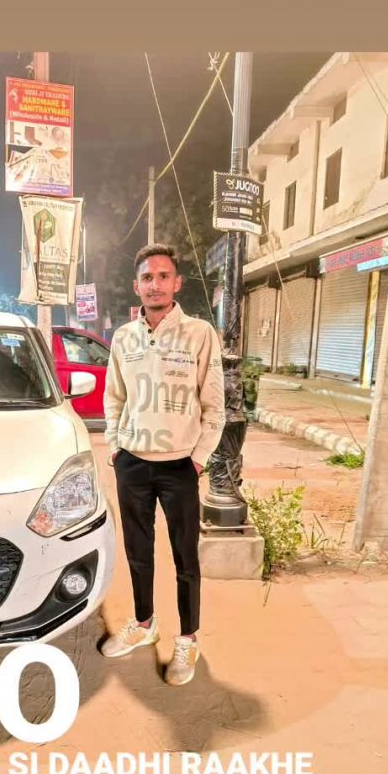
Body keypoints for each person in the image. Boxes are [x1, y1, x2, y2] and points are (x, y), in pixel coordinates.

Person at [101, 244, 225, 686]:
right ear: (136, 286)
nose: (155, 284)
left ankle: (188, 638)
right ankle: (144, 624)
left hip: (179, 467)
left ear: (177, 283)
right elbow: (114, 397)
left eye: (163, 276)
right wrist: (115, 446)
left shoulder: (199, 333)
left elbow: (214, 405)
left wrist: (198, 460)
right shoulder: (124, 338)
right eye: (147, 278)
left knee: (184, 557)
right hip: (132, 463)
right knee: (138, 552)